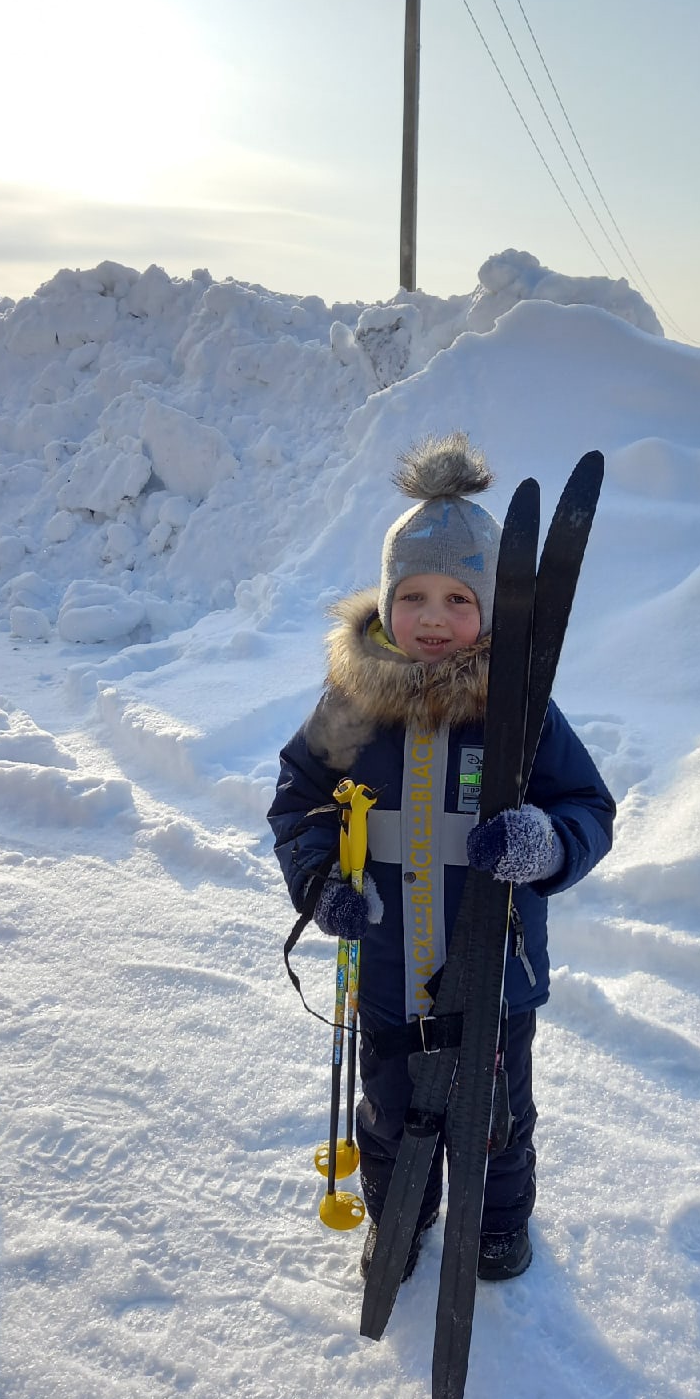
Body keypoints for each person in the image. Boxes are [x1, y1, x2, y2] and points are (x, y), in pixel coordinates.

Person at [268, 432, 614, 1282]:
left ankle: (497, 1224)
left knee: (494, 1116)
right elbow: (299, 797)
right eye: (412, 595)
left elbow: (588, 809)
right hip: (384, 968)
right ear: (386, 601)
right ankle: (401, 1214)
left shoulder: (522, 711)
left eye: (458, 599)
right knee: (389, 1114)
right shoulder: (352, 705)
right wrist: (320, 881)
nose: (431, 618)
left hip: (495, 967)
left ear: (492, 607)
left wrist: (544, 844)